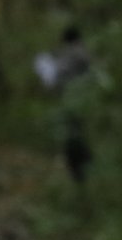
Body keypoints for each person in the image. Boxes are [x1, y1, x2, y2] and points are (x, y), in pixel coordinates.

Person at [33, 26, 94, 183]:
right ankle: (83, 168)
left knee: (73, 135)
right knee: (78, 134)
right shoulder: (81, 53)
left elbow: (55, 79)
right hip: (81, 101)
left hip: (71, 101)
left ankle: (80, 169)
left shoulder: (69, 55)